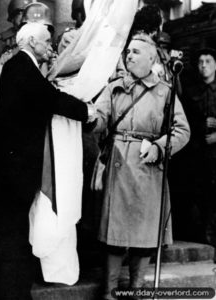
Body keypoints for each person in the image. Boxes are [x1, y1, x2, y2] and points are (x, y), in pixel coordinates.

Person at [0, 22, 94, 300]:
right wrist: (86, 111)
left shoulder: (21, 65)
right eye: (45, 41)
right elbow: (50, 98)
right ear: (31, 41)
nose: (50, 46)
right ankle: (8, 293)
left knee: (13, 231)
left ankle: (8, 291)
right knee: (12, 232)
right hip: (15, 167)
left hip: (13, 165)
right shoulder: (22, 65)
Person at [91, 33, 190, 299]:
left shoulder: (164, 92)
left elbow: (181, 130)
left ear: (151, 58)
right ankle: (110, 292)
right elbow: (100, 119)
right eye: (128, 51)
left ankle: (137, 288)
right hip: (119, 162)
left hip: (149, 168)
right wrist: (91, 119)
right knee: (115, 231)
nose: (129, 55)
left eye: (136, 52)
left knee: (144, 233)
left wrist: (159, 147)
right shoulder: (114, 87)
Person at [182, 48, 216, 252]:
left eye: (209, 61)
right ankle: (203, 234)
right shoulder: (191, 91)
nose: (204, 65)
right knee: (200, 193)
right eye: (201, 61)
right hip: (198, 153)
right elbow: (185, 121)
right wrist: (202, 125)